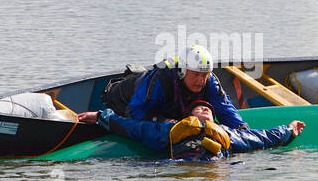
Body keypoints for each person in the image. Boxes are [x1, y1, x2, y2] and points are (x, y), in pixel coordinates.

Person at [79, 99, 304, 160]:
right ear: (188, 116)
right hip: (179, 165)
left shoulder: (229, 135)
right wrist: (99, 116)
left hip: (215, 167)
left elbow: (260, 137)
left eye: (207, 110)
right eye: (198, 110)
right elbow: (133, 127)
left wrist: (288, 130)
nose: (204, 112)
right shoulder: (169, 131)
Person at [106, 43, 248, 128]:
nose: (201, 80)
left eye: (204, 75)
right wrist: (162, 120)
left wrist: (241, 128)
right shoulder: (162, 80)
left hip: (170, 107)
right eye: (196, 75)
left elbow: (224, 108)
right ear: (182, 71)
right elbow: (135, 112)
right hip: (124, 102)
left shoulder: (209, 80)